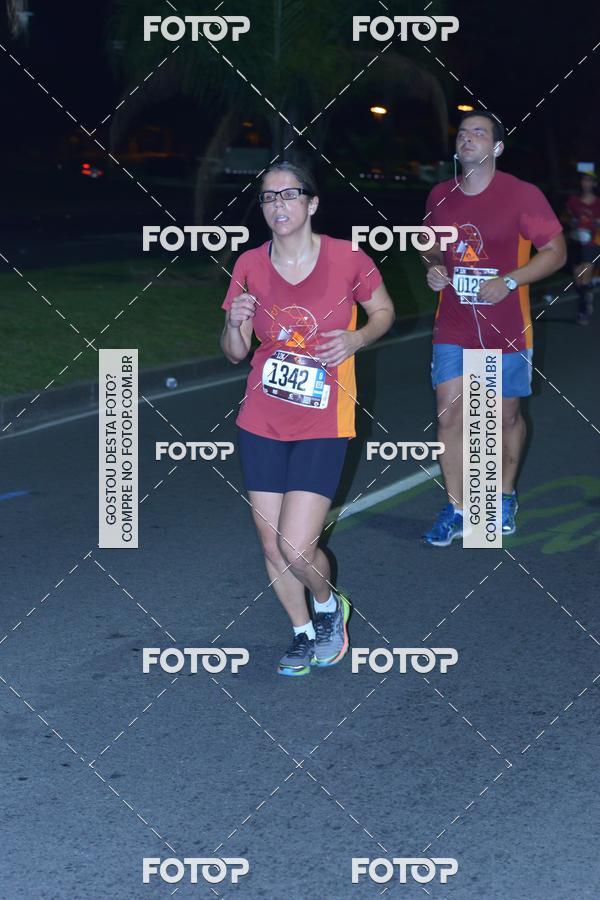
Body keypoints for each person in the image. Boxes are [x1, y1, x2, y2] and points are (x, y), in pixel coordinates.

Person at [220, 161, 395, 674]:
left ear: (312, 203)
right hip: (261, 420)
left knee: (296, 548)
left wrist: (358, 337)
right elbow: (235, 351)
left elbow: (383, 312)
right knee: (270, 546)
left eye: (289, 195)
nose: (278, 205)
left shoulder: (348, 258)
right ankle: (301, 632)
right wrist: (234, 324)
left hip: (324, 420)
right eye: (268, 197)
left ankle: (328, 604)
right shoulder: (249, 263)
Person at [420, 110, 566, 546]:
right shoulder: (440, 195)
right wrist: (432, 267)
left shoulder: (522, 195)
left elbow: (555, 251)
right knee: (449, 415)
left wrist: (511, 280)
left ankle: (502, 496)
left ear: (497, 147)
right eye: (463, 133)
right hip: (454, 324)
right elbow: (429, 246)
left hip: (506, 326)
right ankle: (457, 508)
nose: (468, 139)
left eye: (479, 133)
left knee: (505, 416)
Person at [565, 170, 600, 325]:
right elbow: (565, 217)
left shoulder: (598, 203)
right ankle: (587, 294)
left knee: (584, 277)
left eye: (589, 180)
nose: (586, 183)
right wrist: (571, 222)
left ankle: (583, 311)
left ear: (594, 184)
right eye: (584, 180)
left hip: (592, 244)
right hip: (576, 243)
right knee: (578, 280)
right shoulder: (573, 201)